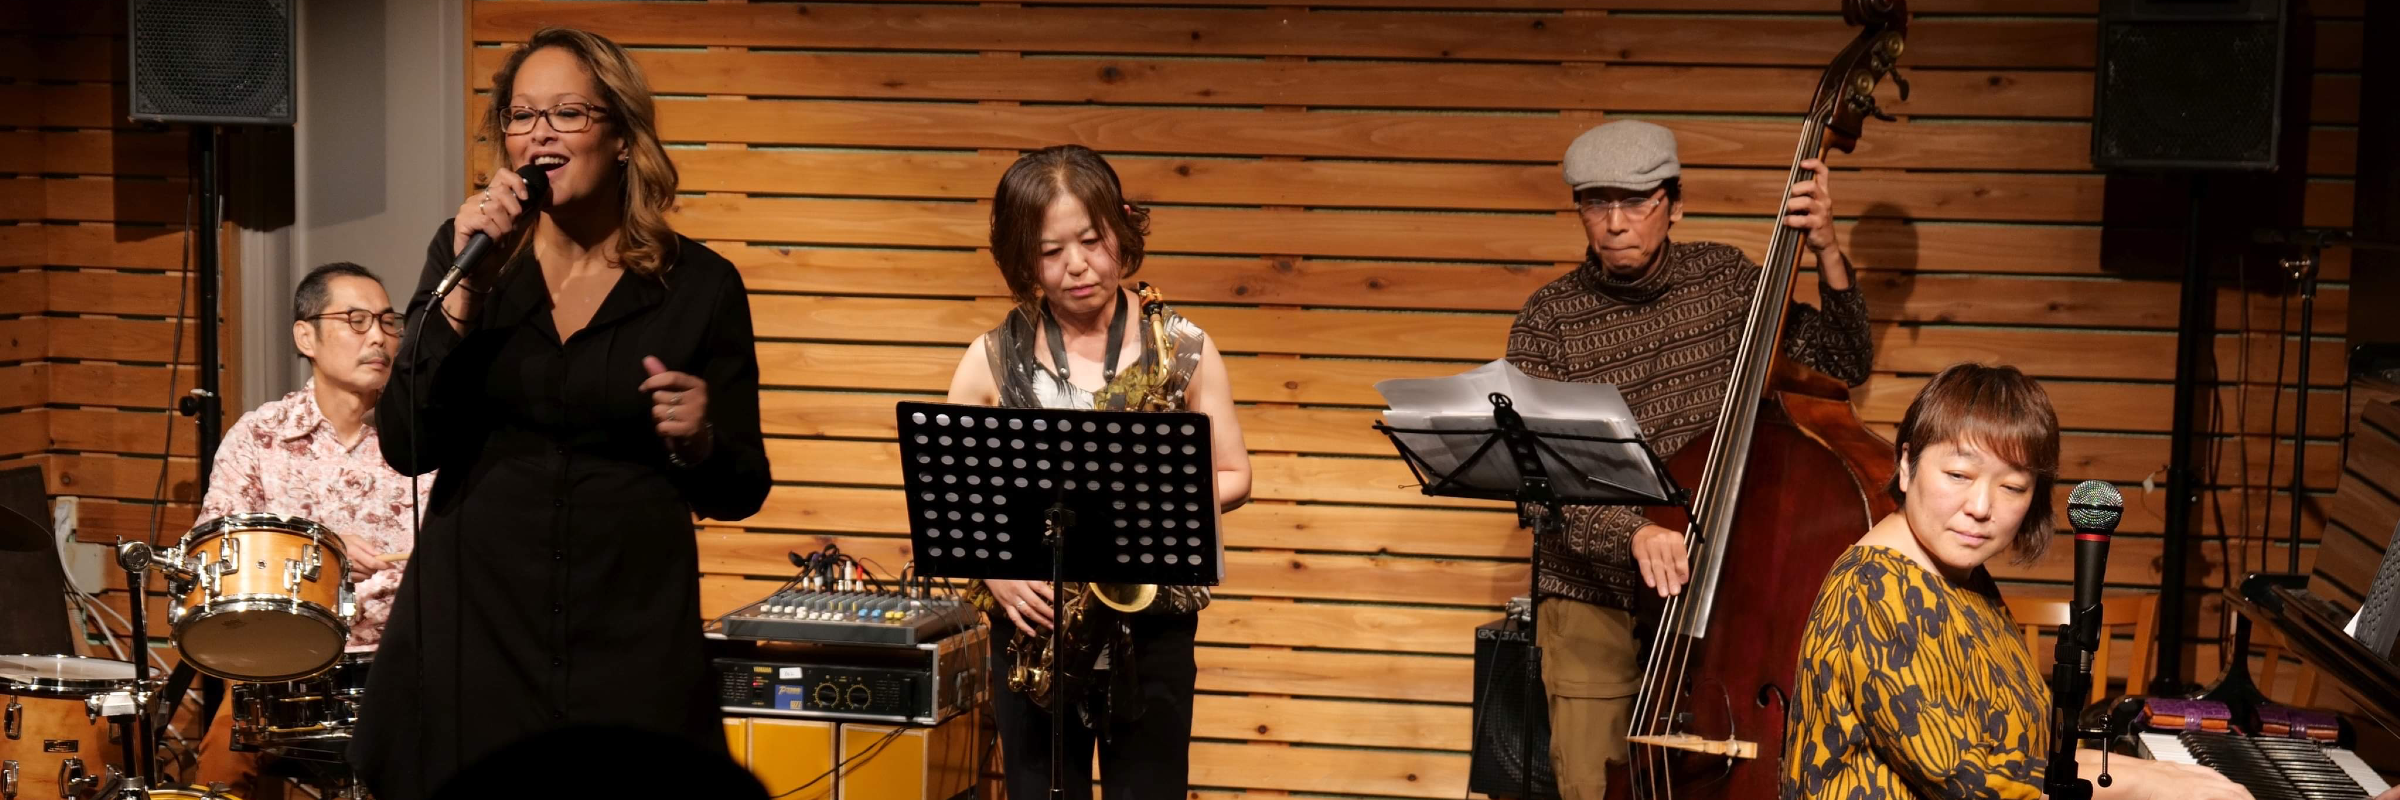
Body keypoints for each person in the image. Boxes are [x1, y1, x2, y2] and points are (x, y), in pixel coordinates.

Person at [351, 27, 770, 800]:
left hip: (628, 631)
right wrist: (464, 295)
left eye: (567, 114)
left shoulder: (700, 285)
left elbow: (742, 486)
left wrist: (700, 438)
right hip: (477, 626)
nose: (539, 134)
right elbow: (407, 443)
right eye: (520, 115)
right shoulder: (469, 253)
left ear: (619, 136)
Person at [1503, 119, 1873, 797]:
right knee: (1593, 784)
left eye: (1636, 202)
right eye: (1595, 203)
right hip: (1597, 596)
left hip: (1722, 593)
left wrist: (1825, 251)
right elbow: (1537, 487)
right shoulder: (1547, 319)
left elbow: (1845, 362)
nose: (1615, 223)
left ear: (1673, 203)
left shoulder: (1728, 282)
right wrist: (1633, 531)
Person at [1780, 362, 2254, 800]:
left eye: (2012, 486)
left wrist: (2169, 774)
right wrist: (2151, 784)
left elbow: (2033, 754)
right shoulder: (1872, 589)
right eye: (1958, 474)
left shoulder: (1963, 578)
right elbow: (1971, 778)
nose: (1981, 507)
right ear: (1906, 465)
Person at [943, 144, 1252, 799]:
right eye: (1051, 251)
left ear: (1123, 228)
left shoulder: (1187, 349)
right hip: (1035, 628)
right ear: (1022, 257)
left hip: (1153, 624)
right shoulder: (990, 359)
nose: (1077, 266)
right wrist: (999, 574)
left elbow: (1233, 474)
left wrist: (1153, 503)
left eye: (1092, 239)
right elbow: (955, 497)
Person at [189, 262, 429, 797]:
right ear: (306, 336)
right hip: (282, 662)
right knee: (218, 774)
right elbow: (216, 548)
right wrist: (323, 551)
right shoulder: (260, 436)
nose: (378, 337)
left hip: (404, 661)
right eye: (357, 320)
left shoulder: (424, 436)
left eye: (388, 323)